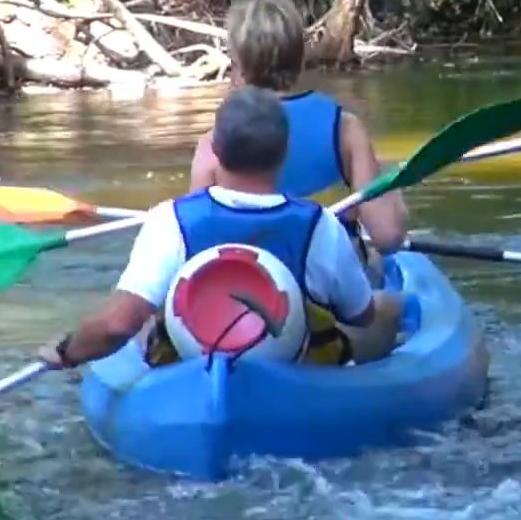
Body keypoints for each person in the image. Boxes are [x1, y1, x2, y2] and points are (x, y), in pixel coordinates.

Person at [40, 88, 403, 372]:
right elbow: (361, 316)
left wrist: (67, 349)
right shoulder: (319, 225)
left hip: (189, 369)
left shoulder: (170, 220)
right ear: (284, 151)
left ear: (214, 149)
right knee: (388, 306)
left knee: (142, 321)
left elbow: (115, 326)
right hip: (296, 371)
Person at [190, 0, 408, 263]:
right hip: (331, 284)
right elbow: (387, 237)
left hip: (253, 282)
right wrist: (392, 184)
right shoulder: (345, 128)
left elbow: (197, 243)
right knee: (397, 301)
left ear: (239, 63)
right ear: (298, 55)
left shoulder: (215, 142)